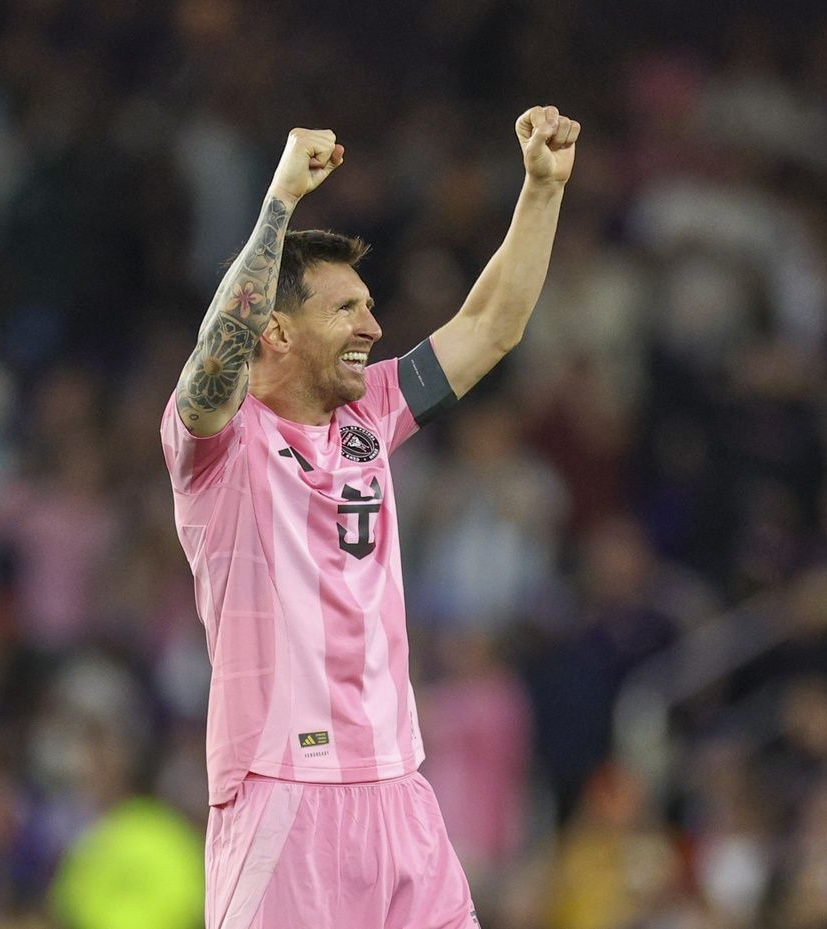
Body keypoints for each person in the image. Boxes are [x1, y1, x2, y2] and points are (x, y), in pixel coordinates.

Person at [161, 105, 580, 929]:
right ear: (275, 329)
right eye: (346, 309)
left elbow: (492, 325)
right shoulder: (217, 444)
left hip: (398, 787)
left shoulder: (372, 415)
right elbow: (218, 354)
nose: (372, 327)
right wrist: (278, 203)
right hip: (283, 790)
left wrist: (541, 189)